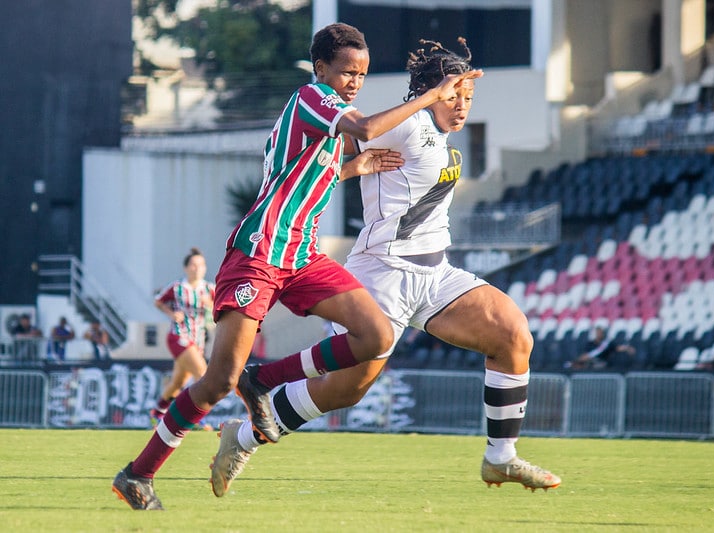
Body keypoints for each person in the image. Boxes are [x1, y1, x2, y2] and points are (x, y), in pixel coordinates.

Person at [112, 22, 482, 510]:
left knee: (375, 336)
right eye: (347, 71)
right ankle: (138, 474)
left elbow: (309, 173)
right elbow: (367, 129)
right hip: (260, 254)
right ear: (321, 68)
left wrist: (355, 168)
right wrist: (435, 93)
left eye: (362, 74)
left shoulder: (326, 120)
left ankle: (262, 380)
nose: (354, 81)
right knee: (218, 379)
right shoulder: (312, 97)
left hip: (301, 257)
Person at [209, 37, 559, 498]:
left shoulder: (439, 135)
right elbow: (335, 141)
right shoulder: (410, 123)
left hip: (436, 274)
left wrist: (353, 167)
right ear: (430, 92)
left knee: (513, 334)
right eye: (454, 95)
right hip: (383, 274)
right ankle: (244, 433)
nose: (461, 106)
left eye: (468, 98)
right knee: (343, 392)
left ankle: (500, 458)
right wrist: (352, 162)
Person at [149, 248, 216, 424]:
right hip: (179, 336)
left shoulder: (209, 289)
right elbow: (158, 301)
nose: (197, 268)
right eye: (193, 265)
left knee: (177, 383)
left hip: (198, 339)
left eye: (201, 265)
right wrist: (172, 314)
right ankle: (195, 418)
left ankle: (157, 413)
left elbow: (222, 306)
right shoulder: (178, 287)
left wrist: (210, 304)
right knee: (202, 374)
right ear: (186, 268)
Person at [567, 326, 635, 370]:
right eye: (597, 333)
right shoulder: (590, 344)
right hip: (591, 362)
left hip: (602, 363)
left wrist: (627, 348)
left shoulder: (607, 344)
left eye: (600, 333)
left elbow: (617, 348)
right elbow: (587, 355)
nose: (598, 334)